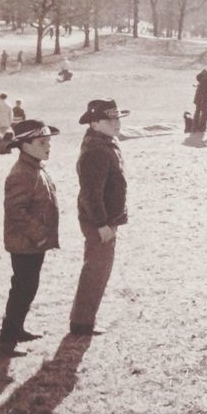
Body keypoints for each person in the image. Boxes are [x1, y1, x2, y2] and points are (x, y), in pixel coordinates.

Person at [0, 119, 61, 356]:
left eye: (49, 142)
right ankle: (7, 340)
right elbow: (16, 211)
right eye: (42, 142)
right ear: (25, 145)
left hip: (33, 243)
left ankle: (17, 329)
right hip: (26, 243)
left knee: (28, 287)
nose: (48, 146)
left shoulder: (34, 167)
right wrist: (38, 234)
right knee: (23, 288)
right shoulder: (23, 173)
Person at [69, 99, 129, 337]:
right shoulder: (96, 149)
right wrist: (101, 223)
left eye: (118, 119)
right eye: (111, 120)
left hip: (105, 220)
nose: (117, 123)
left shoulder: (104, 143)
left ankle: (84, 320)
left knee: (99, 269)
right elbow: (91, 193)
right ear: (94, 123)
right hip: (99, 222)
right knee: (96, 269)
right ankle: (82, 323)